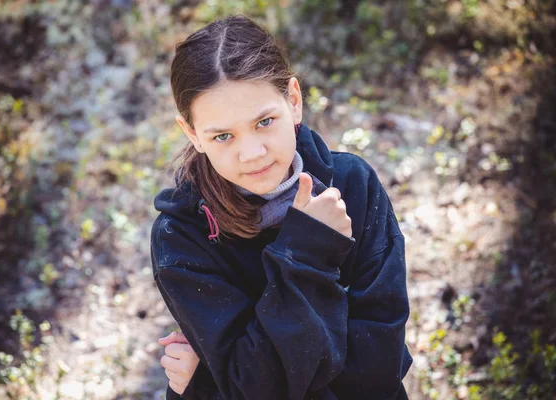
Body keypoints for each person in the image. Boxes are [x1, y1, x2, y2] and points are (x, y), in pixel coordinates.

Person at [150, 14, 412, 400]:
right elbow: (252, 388)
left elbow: (378, 370)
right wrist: (306, 250)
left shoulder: (353, 186)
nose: (252, 153)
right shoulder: (182, 236)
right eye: (222, 135)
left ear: (293, 100)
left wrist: (208, 385)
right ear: (192, 134)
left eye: (264, 121)